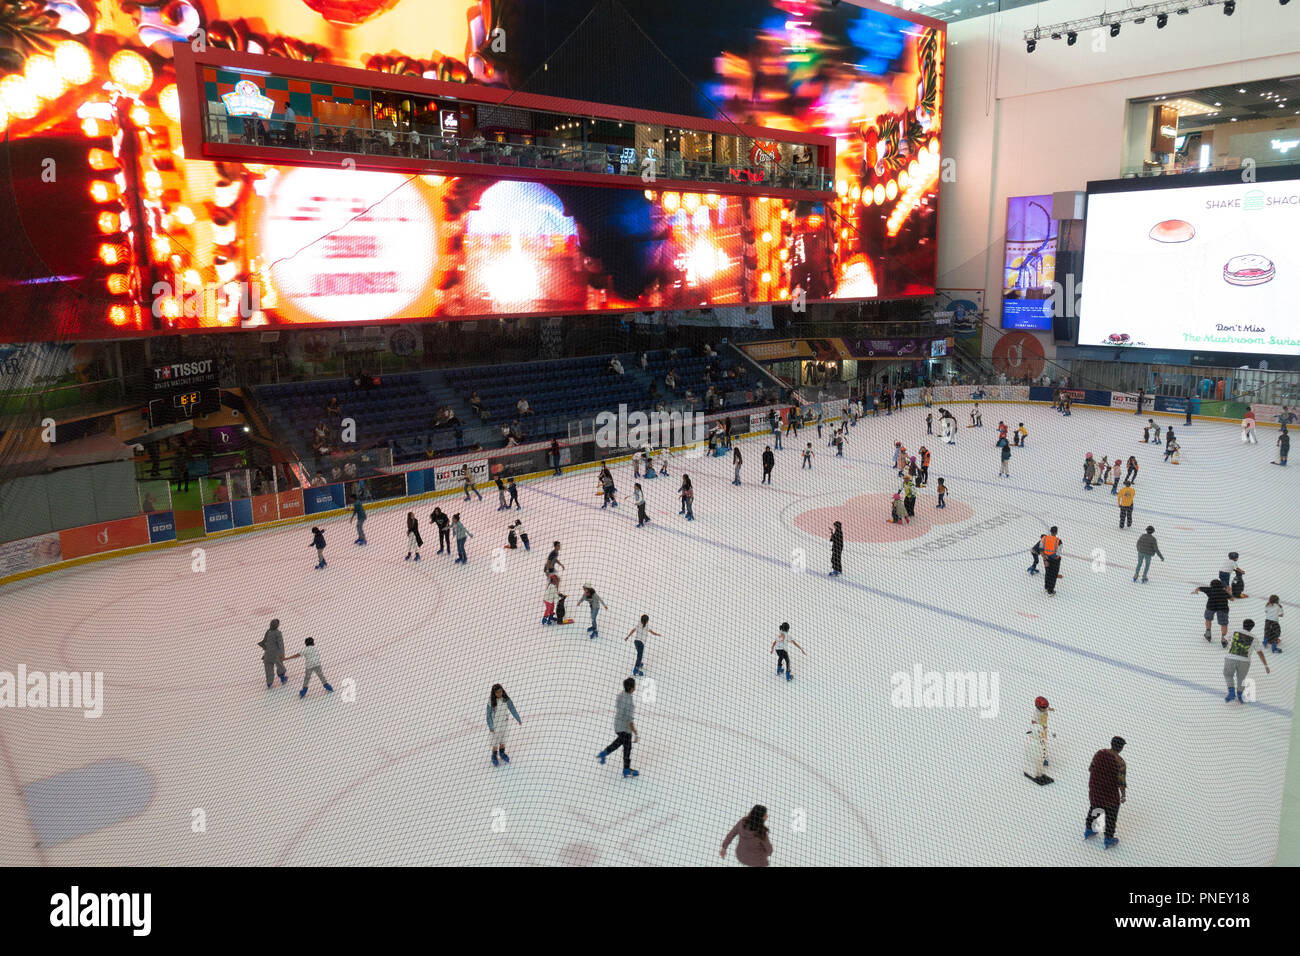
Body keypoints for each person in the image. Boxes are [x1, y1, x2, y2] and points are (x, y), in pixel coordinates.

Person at [1086, 737, 1127, 849]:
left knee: (1095, 807)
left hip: (1095, 789)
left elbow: (1090, 768)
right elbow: (1121, 782)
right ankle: (1108, 838)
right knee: (1111, 816)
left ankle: (1089, 830)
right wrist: (1123, 795)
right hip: (1110, 794)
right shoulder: (1120, 762)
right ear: (1121, 748)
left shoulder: (1099, 753)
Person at [597, 677, 639, 778]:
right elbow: (629, 719)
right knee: (626, 747)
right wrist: (635, 732)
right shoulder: (628, 700)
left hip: (618, 725)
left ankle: (605, 753)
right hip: (625, 727)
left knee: (622, 743)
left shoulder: (621, 695)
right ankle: (626, 769)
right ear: (631, 688)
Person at [1223, 619, 1270, 703]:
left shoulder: (1235, 631)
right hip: (1245, 661)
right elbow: (1260, 652)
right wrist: (1266, 665)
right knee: (1241, 678)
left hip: (1231, 658)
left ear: (1243, 624)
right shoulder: (1254, 638)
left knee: (1228, 674)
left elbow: (1225, 639)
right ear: (1252, 628)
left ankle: (1231, 692)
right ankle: (1240, 695)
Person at [486, 684, 522, 765]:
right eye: (497, 692)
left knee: (503, 740)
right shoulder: (490, 702)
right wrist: (491, 727)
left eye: (500, 691)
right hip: (495, 726)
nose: (499, 693)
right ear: (494, 693)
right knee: (494, 742)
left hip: (504, 724)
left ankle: (502, 753)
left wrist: (518, 718)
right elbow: (488, 716)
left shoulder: (506, 699)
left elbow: (512, 708)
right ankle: (494, 755)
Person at [1193, 578, 1231, 643]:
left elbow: (1199, 588)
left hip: (1211, 606)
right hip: (1223, 607)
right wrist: (1228, 591)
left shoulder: (1210, 589)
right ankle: (1223, 638)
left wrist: (1196, 591)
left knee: (1208, 619)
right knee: (1224, 624)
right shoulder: (1223, 592)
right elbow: (1232, 598)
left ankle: (1208, 633)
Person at [258, 619, 288, 688]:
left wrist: (266, 648)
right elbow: (281, 644)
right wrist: (283, 653)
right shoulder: (278, 633)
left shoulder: (268, 632)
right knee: (280, 666)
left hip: (267, 654)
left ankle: (269, 683)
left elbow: (263, 642)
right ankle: (283, 679)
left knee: (268, 669)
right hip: (276, 654)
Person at [1041, 526, 1062, 595]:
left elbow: (1041, 549)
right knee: (1053, 575)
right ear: (1056, 532)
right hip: (1054, 560)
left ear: (1050, 531)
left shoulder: (1044, 538)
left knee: (1047, 573)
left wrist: (1045, 559)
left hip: (1046, 558)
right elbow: (1058, 553)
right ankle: (1051, 591)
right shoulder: (1058, 541)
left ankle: (1046, 587)